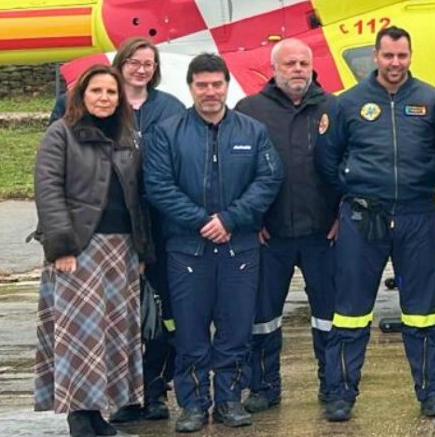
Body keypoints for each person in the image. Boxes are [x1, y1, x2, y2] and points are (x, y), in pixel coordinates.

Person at [315, 25, 435, 421]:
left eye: (402, 56)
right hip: (363, 216)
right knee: (351, 310)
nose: (395, 64)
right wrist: (355, 190)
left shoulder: (431, 100)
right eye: (388, 56)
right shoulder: (347, 103)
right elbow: (326, 159)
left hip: (416, 213)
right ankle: (341, 393)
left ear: (410, 56)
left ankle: (432, 392)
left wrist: (425, 180)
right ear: (375, 56)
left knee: (423, 310)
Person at [51, 38, 188, 425]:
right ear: (119, 63)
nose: (141, 69)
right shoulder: (68, 121)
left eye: (149, 63)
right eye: (134, 61)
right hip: (89, 238)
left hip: (149, 231)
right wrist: (61, 241)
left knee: (147, 321)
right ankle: (95, 409)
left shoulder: (168, 109)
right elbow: (52, 185)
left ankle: (151, 391)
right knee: (90, 328)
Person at [143, 53, 283, 432]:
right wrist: (202, 221)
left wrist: (230, 218)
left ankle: (229, 401)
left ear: (227, 85)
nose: (210, 92)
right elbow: (158, 185)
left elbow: (269, 179)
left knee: (235, 329)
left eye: (216, 84)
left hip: (239, 247)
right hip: (188, 249)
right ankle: (192, 405)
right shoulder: (167, 133)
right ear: (190, 87)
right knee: (190, 331)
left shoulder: (252, 131)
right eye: (202, 85)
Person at [34, 64, 152, 437]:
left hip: (122, 251)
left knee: (114, 334)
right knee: (80, 336)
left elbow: (138, 198)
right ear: (81, 96)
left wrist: (142, 253)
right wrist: (62, 247)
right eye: (96, 91)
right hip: (80, 249)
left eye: (111, 92)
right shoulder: (61, 133)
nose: (104, 98)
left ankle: (99, 415)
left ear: (121, 99)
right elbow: (48, 191)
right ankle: (79, 419)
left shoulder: (126, 136)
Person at [233, 39, 337, 412]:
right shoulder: (249, 111)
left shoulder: (333, 108)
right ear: (273, 67)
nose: (297, 69)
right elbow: (236, 172)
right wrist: (251, 217)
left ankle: (333, 384)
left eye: (303, 63)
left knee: (328, 315)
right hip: (269, 234)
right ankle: (263, 386)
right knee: (263, 316)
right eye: (289, 63)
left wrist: (341, 213)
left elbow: (349, 165)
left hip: (323, 233)